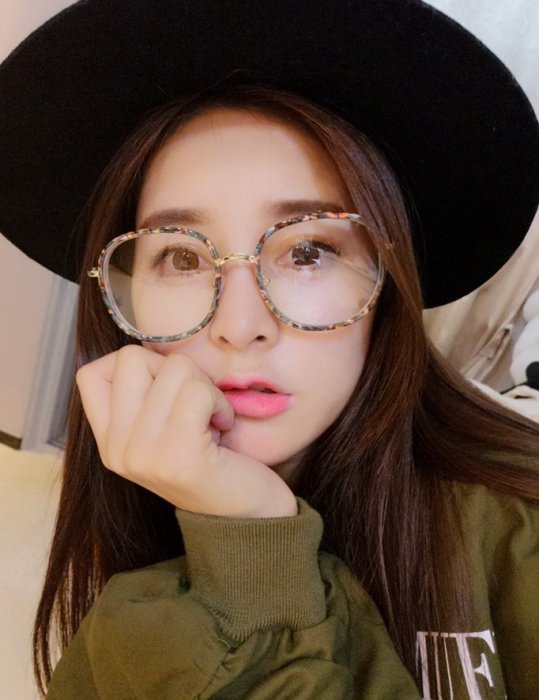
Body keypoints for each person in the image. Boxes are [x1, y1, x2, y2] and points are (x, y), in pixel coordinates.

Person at [0, 1, 538, 698]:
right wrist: (243, 532)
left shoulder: (518, 534)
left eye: (307, 251)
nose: (239, 324)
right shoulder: (127, 551)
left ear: (388, 281)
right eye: (182, 259)